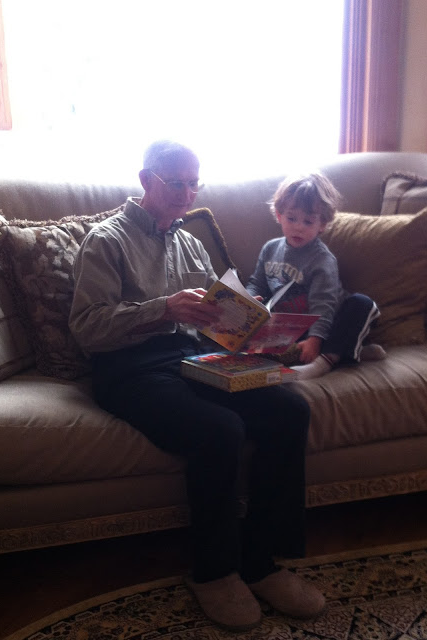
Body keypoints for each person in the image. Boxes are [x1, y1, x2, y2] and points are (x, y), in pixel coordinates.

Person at [69, 140, 325, 631]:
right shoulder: (107, 240)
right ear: (146, 180)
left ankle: (260, 561)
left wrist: (253, 327)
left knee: (289, 410)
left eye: (194, 184)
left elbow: (218, 316)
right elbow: (87, 329)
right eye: (176, 184)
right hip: (128, 367)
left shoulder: (190, 241)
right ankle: (214, 572)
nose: (187, 195)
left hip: (189, 356)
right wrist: (163, 309)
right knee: (219, 429)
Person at [246, 173, 386, 380]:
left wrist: (316, 339)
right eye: (291, 218)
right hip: (292, 328)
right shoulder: (270, 249)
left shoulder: (322, 260)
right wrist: (247, 301)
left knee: (362, 303)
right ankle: (353, 351)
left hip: (330, 323)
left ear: (322, 224)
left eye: (308, 221)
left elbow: (323, 305)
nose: (298, 227)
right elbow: (257, 284)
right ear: (279, 215)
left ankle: (325, 361)